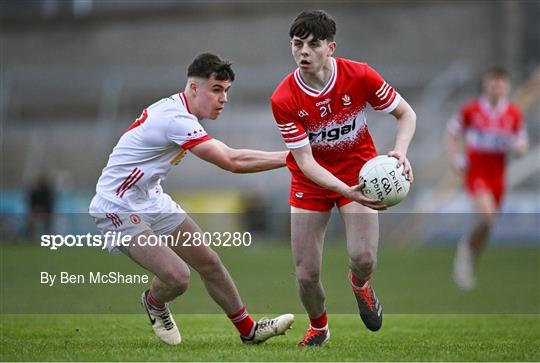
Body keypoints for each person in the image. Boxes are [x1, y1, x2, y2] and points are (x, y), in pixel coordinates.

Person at [89, 53, 294, 346]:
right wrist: (294, 156)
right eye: (216, 90)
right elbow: (231, 161)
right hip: (118, 204)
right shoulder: (176, 120)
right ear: (194, 88)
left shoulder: (179, 112)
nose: (223, 98)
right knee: (177, 277)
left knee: (209, 262)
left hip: (150, 198)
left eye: (226, 91)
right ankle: (153, 302)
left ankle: (250, 331)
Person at [270, 11, 416, 346]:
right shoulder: (284, 98)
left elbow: (405, 113)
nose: (303, 51)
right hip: (312, 182)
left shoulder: (360, 75)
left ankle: (361, 285)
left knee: (363, 259)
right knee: (306, 275)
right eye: (297, 44)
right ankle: (319, 327)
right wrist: (343, 190)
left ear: (330, 47)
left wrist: (400, 152)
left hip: (360, 174)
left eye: (313, 44)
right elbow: (305, 162)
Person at [447, 67, 528, 290]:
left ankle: (469, 258)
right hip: (477, 172)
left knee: (488, 225)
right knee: (487, 217)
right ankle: (464, 251)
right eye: (493, 82)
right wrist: (455, 157)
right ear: (486, 84)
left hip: (498, 175)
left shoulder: (512, 113)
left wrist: (518, 148)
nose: (497, 87)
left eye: (501, 83)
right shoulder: (471, 110)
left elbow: (521, 143)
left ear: (507, 87)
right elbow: (452, 132)